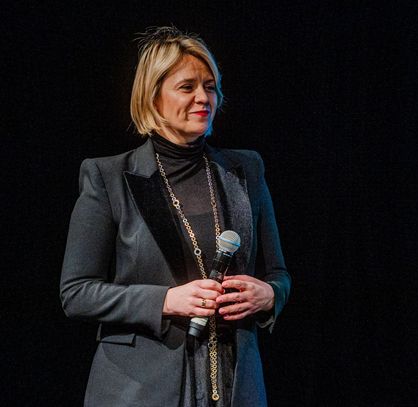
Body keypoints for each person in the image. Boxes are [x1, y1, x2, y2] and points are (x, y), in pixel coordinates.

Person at [60, 26, 291, 407]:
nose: (203, 98)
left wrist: (269, 295)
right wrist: (165, 300)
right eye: (187, 87)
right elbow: (77, 293)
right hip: (140, 389)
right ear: (153, 97)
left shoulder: (246, 170)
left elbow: (278, 274)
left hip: (234, 385)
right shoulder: (108, 177)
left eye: (210, 87)